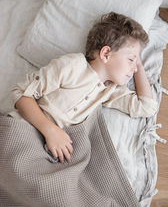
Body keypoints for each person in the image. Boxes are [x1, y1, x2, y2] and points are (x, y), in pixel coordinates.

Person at [8, 12, 158, 164]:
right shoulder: (73, 66)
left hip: (45, 151)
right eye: (131, 59)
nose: (135, 70)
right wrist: (50, 130)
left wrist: (139, 63)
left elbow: (146, 107)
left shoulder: (109, 91)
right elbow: (20, 94)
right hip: (23, 129)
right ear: (106, 53)